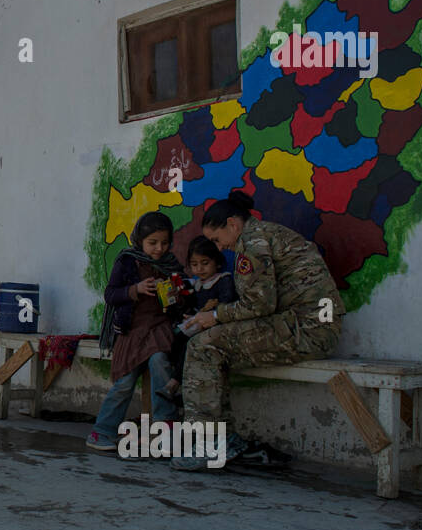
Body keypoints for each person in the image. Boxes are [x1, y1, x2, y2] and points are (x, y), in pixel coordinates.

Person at [171, 191, 345, 471]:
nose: (219, 247)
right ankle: (224, 440)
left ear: (233, 225)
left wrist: (213, 316)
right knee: (216, 351)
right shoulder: (267, 233)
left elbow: (259, 304)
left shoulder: (251, 244)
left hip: (306, 329)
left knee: (203, 347)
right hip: (316, 326)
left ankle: (207, 444)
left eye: (217, 239)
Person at [86, 212, 184, 454]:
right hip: (132, 331)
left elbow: (181, 304)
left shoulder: (171, 265)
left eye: (164, 242)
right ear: (139, 240)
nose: (159, 249)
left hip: (159, 329)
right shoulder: (127, 260)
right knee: (124, 381)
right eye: (153, 243)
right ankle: (102, 431)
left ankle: (165, 433)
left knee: (160, 363)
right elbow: (111, 295)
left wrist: (174, 296)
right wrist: (135, 289)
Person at [159, 235, 238, 401]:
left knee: (189, 345)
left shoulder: (223, 281)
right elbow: (189, 303)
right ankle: (184, 385)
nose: (200, 269)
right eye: (194, 265)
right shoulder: (196, 284)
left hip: (215, 327)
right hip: (196, 324)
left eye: (205, 263)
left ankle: (174, 383)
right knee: (176, 341)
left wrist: (211, 312)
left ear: (217, 262)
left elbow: (227, 304)